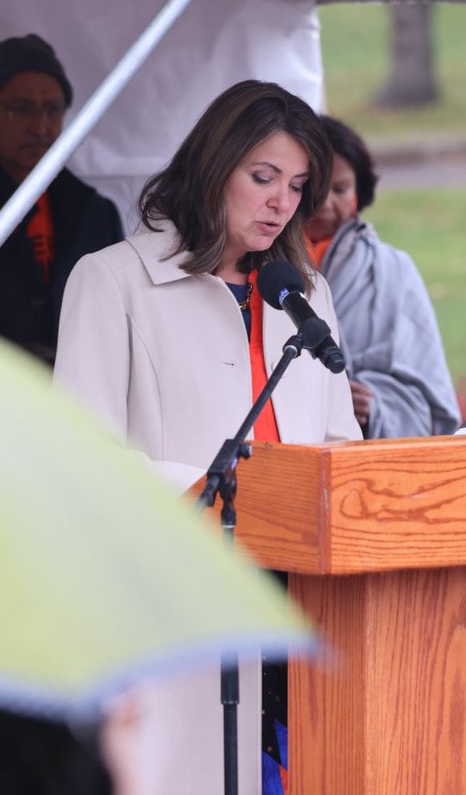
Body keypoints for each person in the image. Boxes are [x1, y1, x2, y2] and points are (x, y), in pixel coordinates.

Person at [54, 80, 361, 795]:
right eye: (262, 178)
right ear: (213, 166)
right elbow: (82, 459)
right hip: (181, 609)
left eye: (297, 184)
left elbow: (341, 443)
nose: (281, 201)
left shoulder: (306, 292)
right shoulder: (113, 281)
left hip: (309, 609)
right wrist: (223, 498)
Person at [0, 34, 124, 364]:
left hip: (79, 405)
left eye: (53, 110)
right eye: (22, 110)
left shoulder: (97, 213)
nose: (40, 127)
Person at [303, 115, 460, 438]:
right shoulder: (260, 264)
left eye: (340, 189)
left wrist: (376, 407)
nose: (325, 202)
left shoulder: (393, 268)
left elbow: (430, 397)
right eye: (313, 187)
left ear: (359, 193)